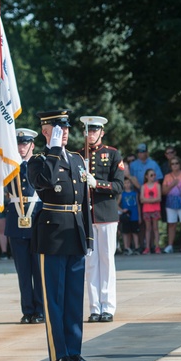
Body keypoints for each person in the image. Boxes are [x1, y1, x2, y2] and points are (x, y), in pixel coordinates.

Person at [29, 110, 94, 361]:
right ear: (46, 131)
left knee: (74, 298)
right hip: (53, 235)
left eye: (66, 127)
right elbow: (43, 182)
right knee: (54, 298)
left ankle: (74, 351)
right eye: (58, 127)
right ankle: (60, 354)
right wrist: (54, 150)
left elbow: (85, 201)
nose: (64, 131)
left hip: (75, 233)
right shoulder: (38, 161)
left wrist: (87, 236)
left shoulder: (78, 159)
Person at [80, 115, 125, 322]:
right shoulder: (78, 156)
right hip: (87, 216)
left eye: (94, 130)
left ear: (101, 132)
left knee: (106, 261)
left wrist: (96, 183)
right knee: (90, 263)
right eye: (88, 130)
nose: (91, 134)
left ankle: (107, 307)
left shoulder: (112, 154)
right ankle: (94, 307)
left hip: (106, 214)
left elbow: (118, 186)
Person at [5, 128, 44, 324]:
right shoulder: (9, 167)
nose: (21, 147)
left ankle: (40, 309)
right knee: (23, 270)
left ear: (32, 145)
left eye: (25, 143)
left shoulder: (40, 164)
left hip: (36, 218)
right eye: (19, 144)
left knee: (38, 269)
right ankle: (27, 309)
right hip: (16, 220)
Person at [161, 153, 181, 254]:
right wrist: (172, 185)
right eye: (172, 164)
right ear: (170, 166)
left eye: (176, 163)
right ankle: (170, 245)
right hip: (171, 202)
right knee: (171, 224)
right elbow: (164, 191)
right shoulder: (167, 177)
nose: (175, 165)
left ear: (180, 164)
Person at [139, 169, 162, 254]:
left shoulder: (157, 185)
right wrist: (153, 200)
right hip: (147, 210)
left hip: (155, 209)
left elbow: (159, 198)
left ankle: (157, 247)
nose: (153, 177)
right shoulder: (144, 186)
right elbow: (141, 199)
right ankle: (147, 247)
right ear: (146, 176)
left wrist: (147, 200)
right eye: (151, 175)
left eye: (154, 175)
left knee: (155, 228)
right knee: (148, 229)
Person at [119, 177, 141, 254]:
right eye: (125, 183)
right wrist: (122, 210)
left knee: (135, 232)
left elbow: (138, 205)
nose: (127, 184)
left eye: (128, 183)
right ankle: (126, 247)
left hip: (134, 215)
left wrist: (139, 216)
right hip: (126, 216)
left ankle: (136, 247)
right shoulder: (122, 194)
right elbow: (116, 204)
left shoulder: (135, 193)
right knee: (126, 232)